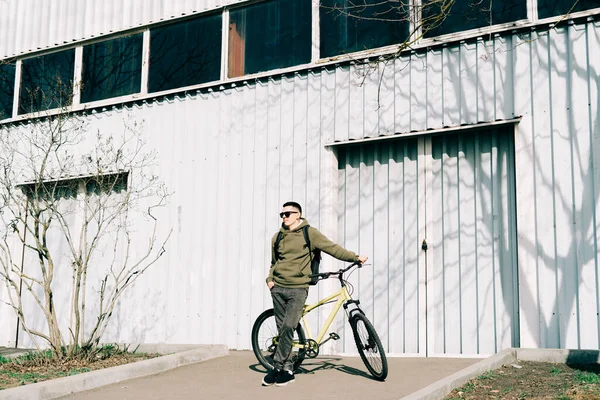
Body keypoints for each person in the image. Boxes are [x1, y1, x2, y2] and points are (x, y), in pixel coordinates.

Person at [262, 201, 368, 387]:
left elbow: (332, 248)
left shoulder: (309, 233)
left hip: (298, 288)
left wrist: (354, 257)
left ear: (298, 215)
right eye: (282, 214)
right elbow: (274, 262)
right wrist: (270, 280)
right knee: (282, 330)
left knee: (288, 326)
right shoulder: (277, 237)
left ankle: (277, 367)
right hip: (278, 287)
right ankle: (287, 370)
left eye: (288, 213)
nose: (284, 217)